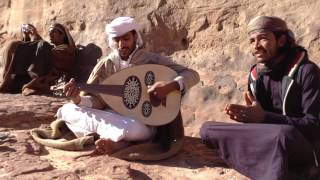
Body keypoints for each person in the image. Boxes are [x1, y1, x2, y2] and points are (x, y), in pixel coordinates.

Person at [56, 16, 200, 160]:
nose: (121, 44)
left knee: (137, 130)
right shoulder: (106, 65)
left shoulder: (152, 60)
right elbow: (99, 101)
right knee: (68, 109)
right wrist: (78, 99)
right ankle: (119, 141)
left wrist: (171, 86)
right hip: (110, 116)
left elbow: (192, 74)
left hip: (138, 122)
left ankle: (108, 137)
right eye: (117, 40)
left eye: (125, 39)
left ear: (135, 37)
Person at [200, 16, 320, 179]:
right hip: (269, 139)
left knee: (282, 135)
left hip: (302, 144)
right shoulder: (255, 74)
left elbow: (313, 126)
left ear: (282, 41)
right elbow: (259, 125)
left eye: (263, 39)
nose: (256, 46)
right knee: (208, 129)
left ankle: (294, 170)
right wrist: (248, 116)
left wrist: (264, 117)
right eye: (251, 41)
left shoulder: (307, 72)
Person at [0, 23, 76, 95]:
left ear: (62, 35)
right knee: (16, 46)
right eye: (49, 32)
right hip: (37, 76)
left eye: (53, 31)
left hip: (50, 77)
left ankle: (34, 77)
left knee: (43, 44)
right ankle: (12, 82)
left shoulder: (68, 49)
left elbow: (51, 57)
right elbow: (41, 53)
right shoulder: (50, 48)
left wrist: (35, 38)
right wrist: (28, 37)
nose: (50, 34)